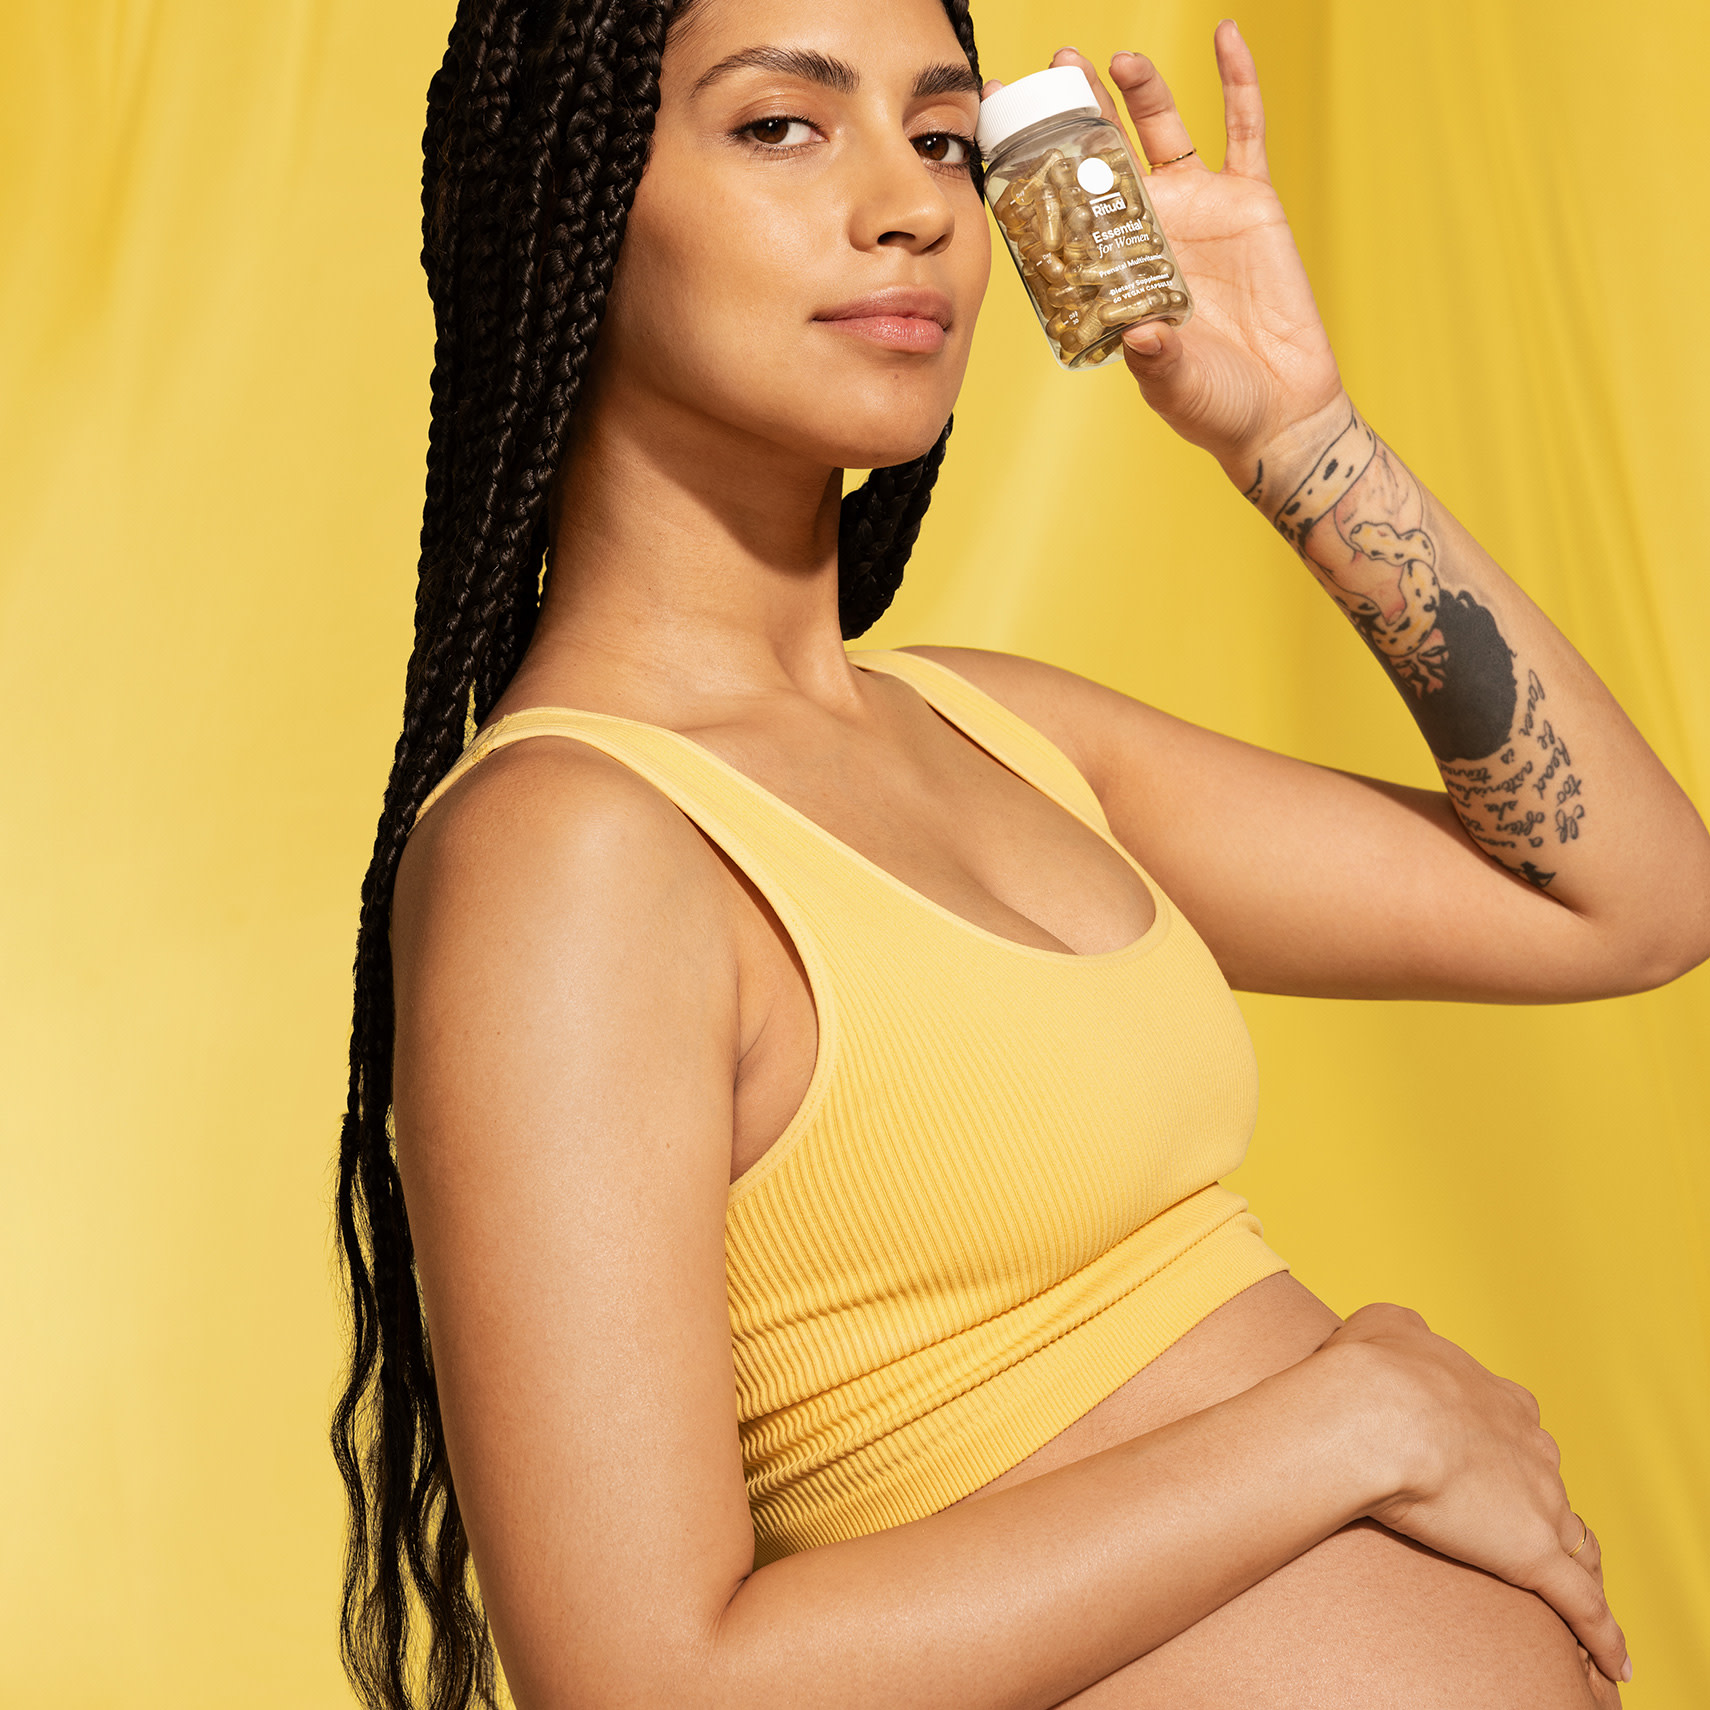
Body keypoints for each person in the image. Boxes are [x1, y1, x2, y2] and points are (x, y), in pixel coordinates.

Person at [330, 1, 1710, 1705]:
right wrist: (1347, 1425)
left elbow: (1626, 903)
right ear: (562, 200)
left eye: (942, 137)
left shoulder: (996, 731)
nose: (910, 202)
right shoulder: (572, 849)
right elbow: (647, 1684)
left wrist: (1294, 437)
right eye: (780, 125)